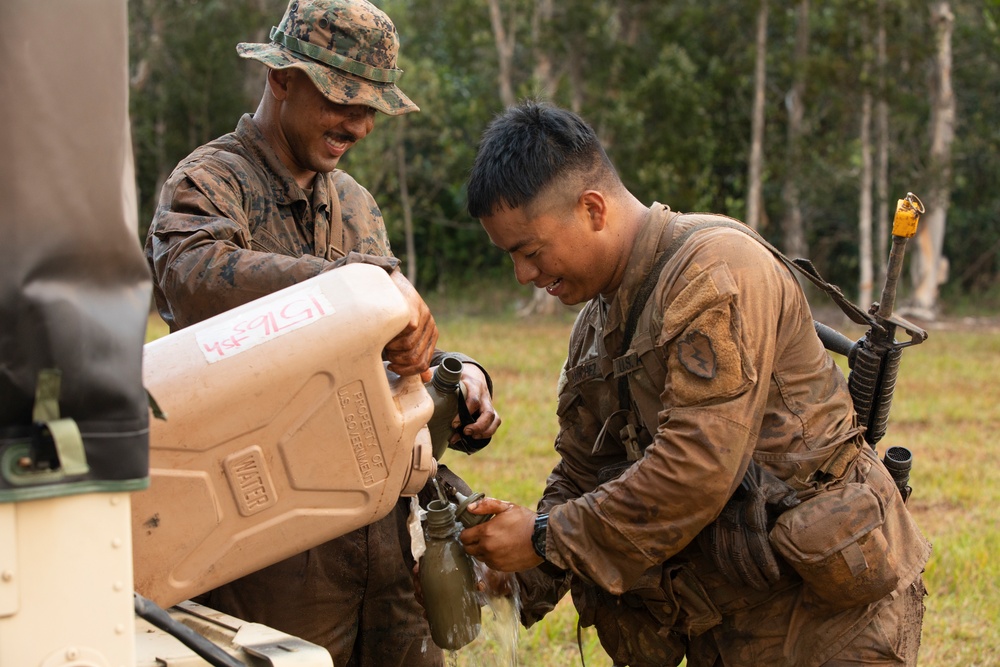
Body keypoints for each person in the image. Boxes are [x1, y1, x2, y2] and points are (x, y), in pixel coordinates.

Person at [459, 101, 930, 667]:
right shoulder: (596, 324)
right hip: (726, 617)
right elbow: (584, 470)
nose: (525, 275)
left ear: (591, 209)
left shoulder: (714, 273)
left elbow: (698, 465)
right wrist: (512, 573)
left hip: (823, 620)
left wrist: (542, 538)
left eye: (530, 252)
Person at [143, 1, 500, 665]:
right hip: (276, 540)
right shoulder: (210, 182)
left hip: (385, 540)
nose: (358, 125)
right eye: (342, 99)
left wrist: (460, 374)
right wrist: (355, 288)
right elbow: (189, 279)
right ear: (281, 78)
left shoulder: (357, 203)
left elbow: (387, 346)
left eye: (372, 109)